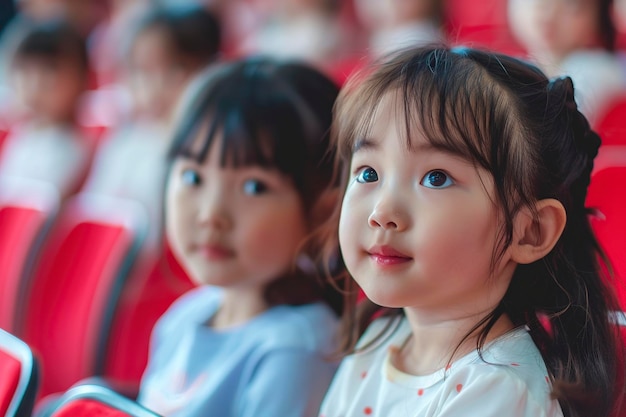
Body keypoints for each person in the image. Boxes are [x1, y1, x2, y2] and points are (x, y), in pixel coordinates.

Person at [318, 45, 624, 417]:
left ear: (529, 232)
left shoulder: (499, 389)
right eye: (369, 173)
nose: (383, 212)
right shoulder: (380, 341)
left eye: (436, 178)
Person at [137, 57, 343, 417]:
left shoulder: (293, 352)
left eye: (253, 186)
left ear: (324, 210)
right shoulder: (185, 317)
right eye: (192, 178)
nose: (211, 215)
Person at [81, 4, 221, 252]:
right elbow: (90, 214)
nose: (153, 87)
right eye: (141, 71)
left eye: (174, 70)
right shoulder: (123, 142)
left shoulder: (203, 152)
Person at [0, 17, 92, 199]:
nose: (35, 85)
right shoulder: (21, 136)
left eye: (49, 72)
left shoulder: (71, 147)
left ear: (82, 79)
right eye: (26, 71)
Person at [507, 0, 626, 124]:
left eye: (571, 4)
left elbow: (563, 124)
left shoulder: (599, 70)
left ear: (600, 17)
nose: (549, 12)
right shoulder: (508, 70)